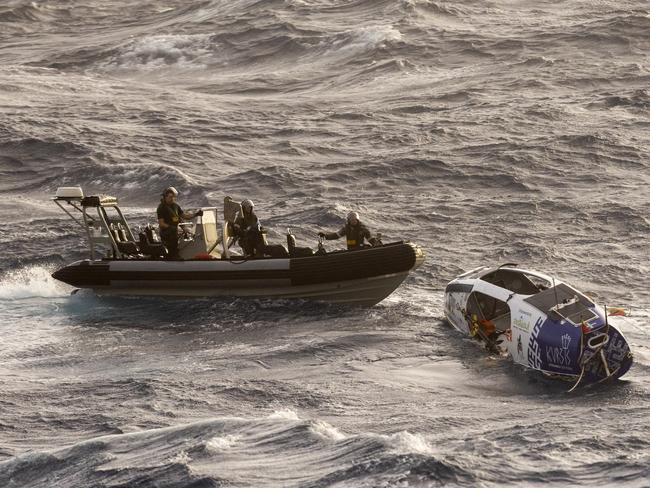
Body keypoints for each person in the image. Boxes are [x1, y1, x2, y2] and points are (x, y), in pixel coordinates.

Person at [157, 187, 202, 259]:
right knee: (172, 251)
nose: (172, 199)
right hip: (167, 233)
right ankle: (172, 258)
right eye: (170, 197)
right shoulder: (161, 208)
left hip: (175, 232)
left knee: (187, 237)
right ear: (165, 197)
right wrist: (173, 228)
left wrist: (196, 214)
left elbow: (184, 216)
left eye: (174, 197)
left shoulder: (175, 206)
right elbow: (161, 224)